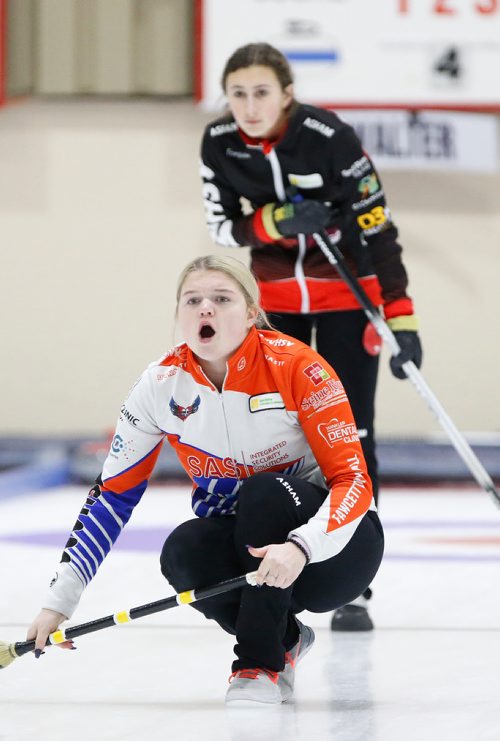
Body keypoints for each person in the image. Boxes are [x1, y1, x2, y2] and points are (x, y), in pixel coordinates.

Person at [27, 255, 384, 706]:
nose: (205, 310)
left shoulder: (299, 367)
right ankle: (284, 639)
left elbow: (354, 481)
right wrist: (60, 600)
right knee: (183, 550)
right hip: (251, 555)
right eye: (192, 300)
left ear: (251, 313)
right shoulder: (160, 386)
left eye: (221, 299)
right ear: (179, 314)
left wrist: (302, 546)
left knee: (264, 494)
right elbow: (112, 496)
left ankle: (258, 665)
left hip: (336, 554)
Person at [199, 42, 422, 631]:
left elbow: (378, 227)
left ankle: (355, 576)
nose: (248, 106)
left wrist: (401, 318)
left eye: (261, 93)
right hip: (273, 307)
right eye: (238, 94)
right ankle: (282, 556)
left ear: (287, 95)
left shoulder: (329, 137)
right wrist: (274, 222)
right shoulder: (218, 142)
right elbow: (221, 226)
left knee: (350, 433)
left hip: (348, 299)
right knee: (283, 437)